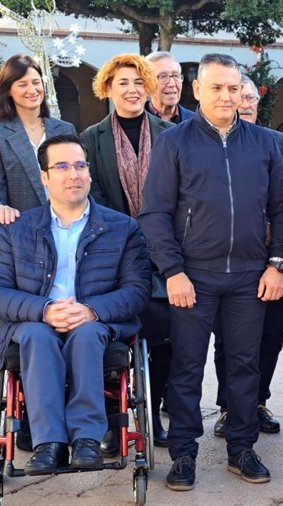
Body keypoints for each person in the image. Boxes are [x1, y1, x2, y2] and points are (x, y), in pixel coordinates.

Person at [139, 53, 283, 491]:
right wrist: (172, 271)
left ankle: (242, 448)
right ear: (198, 90)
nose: (227, 96)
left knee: (245, 366)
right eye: (217, 88)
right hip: (193, 277)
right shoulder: (174, 142)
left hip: (251, 276)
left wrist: (277, 263)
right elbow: (154, 213)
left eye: (234, 88)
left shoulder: (266, 143)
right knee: (187, 368)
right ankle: (184, 455)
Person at [0, 134, 151, 475]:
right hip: (35, 321)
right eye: (63, 166)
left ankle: (86, 440)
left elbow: (137, 290)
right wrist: (45, 310)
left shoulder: (122, 228)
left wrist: (90, 310)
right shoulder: (16, 229)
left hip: (96, 322)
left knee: (85, 334)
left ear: (90, 173)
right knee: (38, 336)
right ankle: (48, 443)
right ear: (44, 177)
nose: (74, 174)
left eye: (81, 165)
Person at [80, 53, 173, 451]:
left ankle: (154, 413)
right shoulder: (90, 139)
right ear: (108, 88)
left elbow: (177, 195)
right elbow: (93, 197)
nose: (132, 90)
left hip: (162, 251)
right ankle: (111, 422)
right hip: (111, 252)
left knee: (165, 335)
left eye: (138, 82)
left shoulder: (169, 133)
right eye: (123, 83)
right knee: (111, 339)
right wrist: (127, 234)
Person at [213, 75, 283, 437]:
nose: (244, 103)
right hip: (228, 259)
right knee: (229, 339)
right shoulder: (213, 144)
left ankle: (258, 401)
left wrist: (277, 253)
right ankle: (229, 406)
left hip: (272, 257)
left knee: (270, 335)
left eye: (250, 97)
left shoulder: (275, 142)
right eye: (238, 96)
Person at [0, 54, 76, 223]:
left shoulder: (65, 129)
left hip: (67, 225)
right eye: (22, 84)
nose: (32, 90)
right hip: (21, 228)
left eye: (36, 82)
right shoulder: (2, 133)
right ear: (9, 90)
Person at [144, 51, 195, 124]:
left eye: (175, 76)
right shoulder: (134, 120)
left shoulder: (196, 123)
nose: (172, 84)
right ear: (148, 83)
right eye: (163, 76)